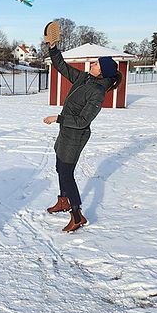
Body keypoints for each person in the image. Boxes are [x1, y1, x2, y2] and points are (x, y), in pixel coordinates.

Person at [43, 26, 123, 232]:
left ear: (102, 71)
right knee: (60, 167)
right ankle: (63, 201)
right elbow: (61, 66)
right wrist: (53, 48)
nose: (92, 64)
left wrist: (58, 118)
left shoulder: (97, 92)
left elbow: (82, 121)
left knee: (67, 173)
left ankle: (77, 215)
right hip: (66, 133)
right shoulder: (84, 78)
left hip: (75, 136)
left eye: (96, 63)